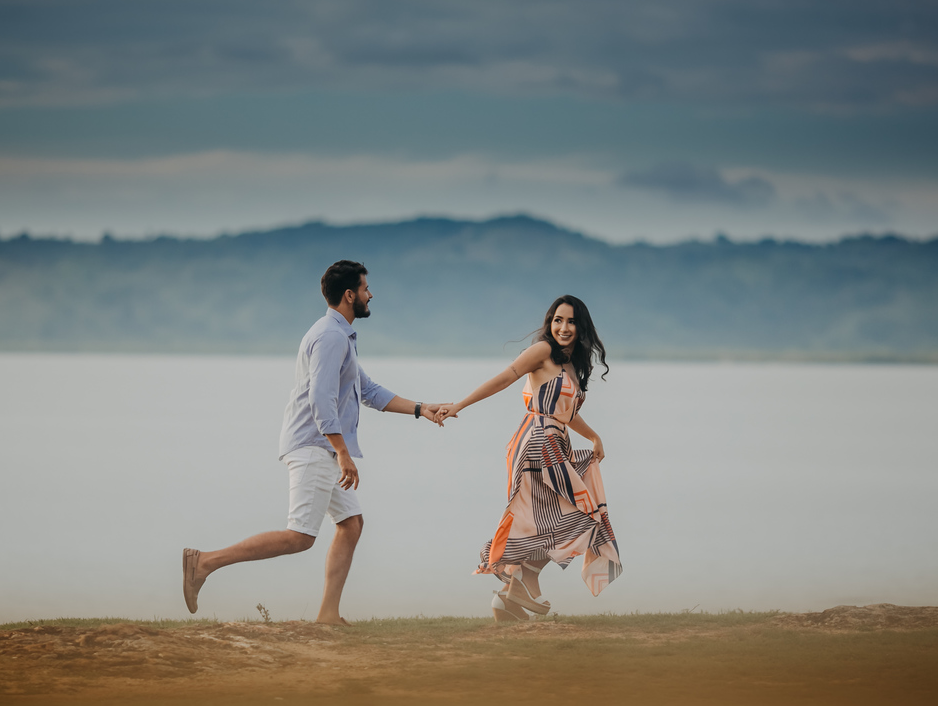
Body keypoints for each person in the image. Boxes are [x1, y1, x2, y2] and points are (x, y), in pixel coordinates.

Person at [182, 260, 446, 625]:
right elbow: (320, 401)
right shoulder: (330, 337)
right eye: (366, 288)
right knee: (300, 536)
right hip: (314, 446)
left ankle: (327, 615)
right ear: (350, 295)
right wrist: (342, 453)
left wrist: (422, 409)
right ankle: (205, 562)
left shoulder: (341, 336)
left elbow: (367, 390)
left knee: (351, 523)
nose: (372, 294)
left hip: (322, 446)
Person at [437, 295, 621, 622]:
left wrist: (593, 435)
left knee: (545, 522)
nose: (563, 328)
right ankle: (522, 583)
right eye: (558, 320)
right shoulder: (543, 351)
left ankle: (514, 598)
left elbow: (563, 413)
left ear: (581, 327)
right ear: (549, 323)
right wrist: (459, 405)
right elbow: (505, 377)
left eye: (571, 321)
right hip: (538, 443)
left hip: (555, 443)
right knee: (578, 516)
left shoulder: (569, 364)